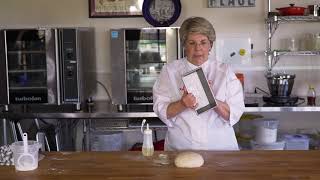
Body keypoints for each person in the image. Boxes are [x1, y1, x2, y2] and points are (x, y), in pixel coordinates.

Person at [153, 17, 245, 151]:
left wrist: (211, 98)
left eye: (203, 42)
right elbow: (162, 111)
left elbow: (234, 114)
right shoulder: (170, 71)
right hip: (181, 149)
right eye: (192, 43)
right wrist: (182, 104)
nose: (198, 49)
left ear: (210, 45)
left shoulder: (224, 72)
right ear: (184, 45)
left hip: (221, 150)